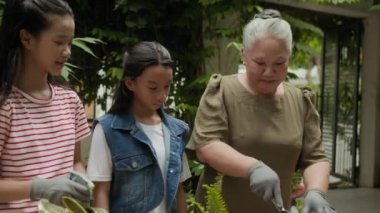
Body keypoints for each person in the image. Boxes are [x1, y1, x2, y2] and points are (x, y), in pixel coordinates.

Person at [186, 9, 336, 213]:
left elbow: (315, 158)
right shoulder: (223, 91)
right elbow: (207, 145)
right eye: (260, 63)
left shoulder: (300, 101)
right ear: (244, 55)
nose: (269, 72)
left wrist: (316, 191)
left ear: (289, 58)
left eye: (279, 63)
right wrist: (252, 168)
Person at [0, 0, 92, 212]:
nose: (67, 51)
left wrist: (80, 180)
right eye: (59, 42)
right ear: (27, 38)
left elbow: (76, 161)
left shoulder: (70, 102)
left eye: (70, 43)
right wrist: (40, 187)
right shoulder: (6, 107)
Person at [86, 41, 191, 213]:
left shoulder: (177, 131)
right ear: (130, 83)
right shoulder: (108, 130)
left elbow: (179, 191)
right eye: (152, 87)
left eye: (167, 86)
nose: (162, 95)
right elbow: (100, 192)